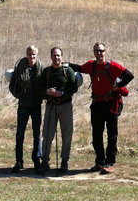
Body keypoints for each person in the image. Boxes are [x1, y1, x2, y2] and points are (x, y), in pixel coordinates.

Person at [70, 43, 133, 174]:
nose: (99, 53)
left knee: (112, 135)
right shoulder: (91, 65)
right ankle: (100, 162)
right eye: (96, 51)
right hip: (97, 104)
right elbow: (80, 68)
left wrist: (118, 86)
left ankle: (109, 163)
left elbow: (129, 75)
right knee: (96, 135)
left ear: (105, 52)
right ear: (94, 52)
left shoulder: (113, 66)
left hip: (111, 104)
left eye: (101, 51)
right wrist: (65, 64)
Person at [38, 47, 77, 174]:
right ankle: (45, 161)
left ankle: (64, 161)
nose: (57, 58)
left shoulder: (68, 71)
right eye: (54, 55)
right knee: (47, 135)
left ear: (62, 57)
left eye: (59, 55)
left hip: (65, 106)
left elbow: (74, 87)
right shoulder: (47, 72)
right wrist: (46, 92)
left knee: (67, 135)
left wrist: (62, 93)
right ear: (51, 57)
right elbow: (40, 88)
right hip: (50, 106)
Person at [9, 45, 44, 174]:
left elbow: (43, 85)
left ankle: (37, 160)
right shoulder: (20, 67)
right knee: (20, 134)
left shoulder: (41, 67)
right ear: (27, 55)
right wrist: (19, 95)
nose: (32, 57)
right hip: (23, 106)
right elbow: (12, 85)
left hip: (36, 106)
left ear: (37, 55)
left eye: (34, 55)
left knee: (37, 134)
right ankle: (19, 161)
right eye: (30, 54)